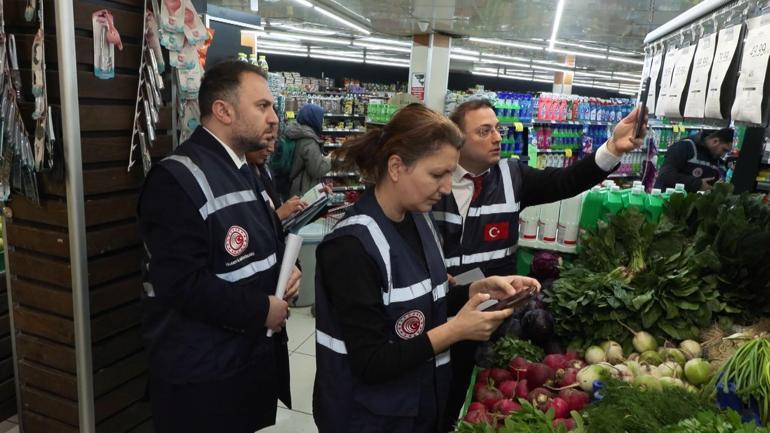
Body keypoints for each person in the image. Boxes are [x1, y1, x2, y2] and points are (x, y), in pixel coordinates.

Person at [313, 103, 541, 433]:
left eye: (450, 173)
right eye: (437, 174)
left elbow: (425, 299)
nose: (447, 187)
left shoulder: (419, 220)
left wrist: (474, 291)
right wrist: (456, 331)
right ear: (396, 167)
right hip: (368, 417)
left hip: (417, 403)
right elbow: (370, 362)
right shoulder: (350, 247)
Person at [434, 98, 648, 430]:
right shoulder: (435, 179)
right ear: (458, 139)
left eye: (498, 129)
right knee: (437, 397)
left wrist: (613, 149)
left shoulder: (512, 175)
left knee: (474, 396)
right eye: (484, 131)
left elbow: (566, 181)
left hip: (495, 318)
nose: (497, 138)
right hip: (442, 312)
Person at [138, 60, 301, 433]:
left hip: (245, 362)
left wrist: (288, 272)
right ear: (223, 110)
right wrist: (262, 308)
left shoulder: (250, 170)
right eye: (262, 106)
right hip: (203, 376)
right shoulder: (176, 180)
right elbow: (180, 283)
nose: (274, 118)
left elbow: (265, 243)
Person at [654, 127, 733, 193]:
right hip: (666, 202)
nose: (723, 155)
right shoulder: (684, 147)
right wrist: (697, 184)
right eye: (724, 150)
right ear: (715, 141)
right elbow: (665, 175)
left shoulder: (715, 159)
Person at [246, 142, 309, 221]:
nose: (271, 149)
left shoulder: (263, 169)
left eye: (275, 141)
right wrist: (279, 214)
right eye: (267, 139)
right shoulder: (243, 176)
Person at [286, 103, 332, 197]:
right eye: (321, 118)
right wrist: (331, 158)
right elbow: (317, 170)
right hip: (302, 190)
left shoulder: (297, 133)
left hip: (293, 185)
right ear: (314, 119)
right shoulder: (308, 140)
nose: (322, 121)